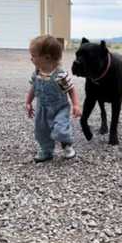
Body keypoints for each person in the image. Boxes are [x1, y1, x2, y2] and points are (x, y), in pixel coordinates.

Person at [25, 35, 82, 163]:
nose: (31, 58)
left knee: (60, 129)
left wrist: (76, 105)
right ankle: (46, 150)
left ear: (47, 57)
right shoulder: (37, 73)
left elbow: (71, 90)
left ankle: (67, 145)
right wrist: (28, 102)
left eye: (34, 55)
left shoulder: (59, 75)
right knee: (41, 131)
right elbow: (33, 88)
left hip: (59, 108)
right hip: (42, 109)